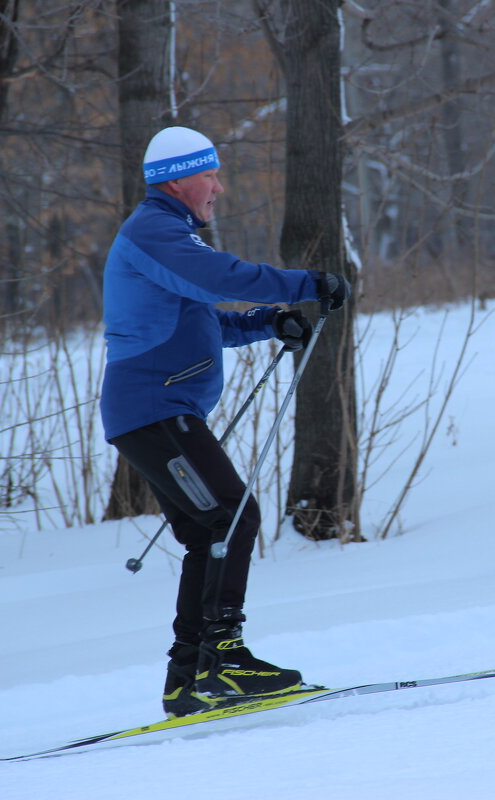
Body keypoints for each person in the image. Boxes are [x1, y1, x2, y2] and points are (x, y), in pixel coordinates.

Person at [100, 126, 349, 718]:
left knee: (210, 530)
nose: (219, 187)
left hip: (155, 411)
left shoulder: (167, 233)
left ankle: (187, 680)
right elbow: (221, 278)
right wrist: (306, 284)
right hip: (154, 409)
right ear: (180, 178)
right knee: (233, 515)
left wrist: (271, 321)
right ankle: (226, 662)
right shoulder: (155, 231)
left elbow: (207, 319)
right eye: (210, 175)